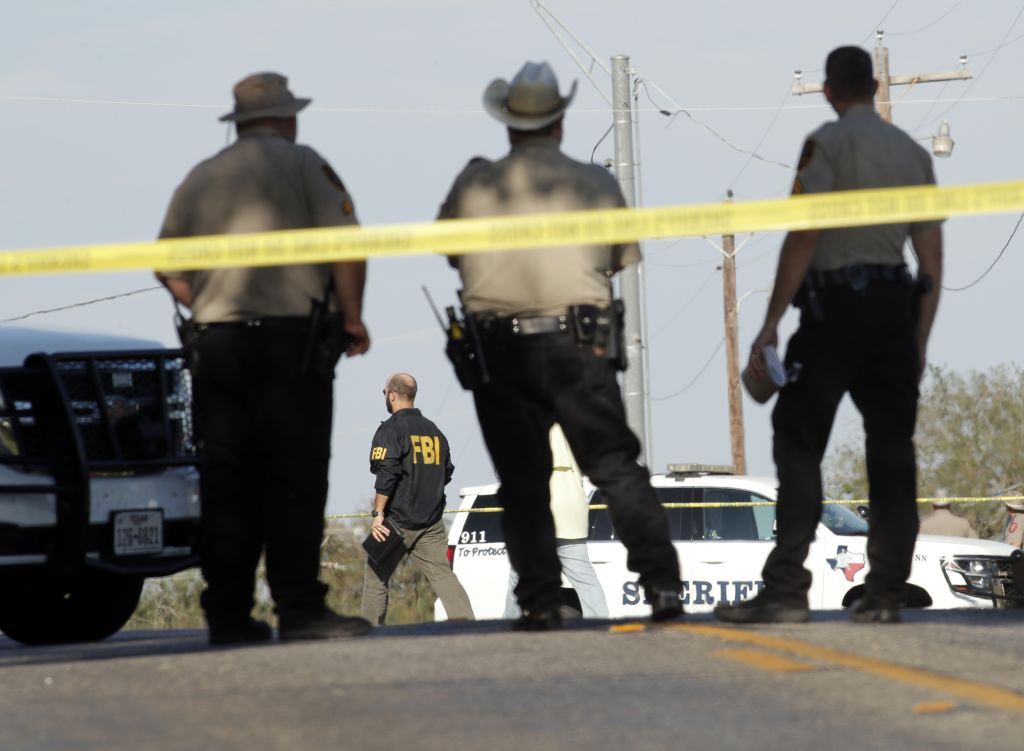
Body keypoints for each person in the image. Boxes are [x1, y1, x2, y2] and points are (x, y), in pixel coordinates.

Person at [438, 61, 682, 630]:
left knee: (522, 481)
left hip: (501, 348)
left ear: (506, 123)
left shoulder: (475, 183)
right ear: (560, 122)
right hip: (580, 347)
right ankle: (663, 588)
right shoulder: (595, 182)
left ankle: (542, 599)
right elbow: (619, 260)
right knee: (617, 468)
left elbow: (451, 252)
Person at [714, 46, 943, 625]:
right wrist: (919, 340)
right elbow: (932, 260)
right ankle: (886, 592)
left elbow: (804, 236)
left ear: (829, 91)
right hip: (894, 311)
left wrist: (771, 322)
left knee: (798, 441)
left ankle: (788, 588)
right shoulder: (914, 154)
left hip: (833, 310)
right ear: (874, 85)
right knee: (892, 454)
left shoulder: (826, 144)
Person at [156, 72, 372, 644]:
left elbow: (166, 265)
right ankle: (299, 609)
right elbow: (348, 243)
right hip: (290, 344)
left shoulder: (200, 177)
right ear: (287, 116)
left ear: (240, 121)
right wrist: (351, 317)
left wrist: (206, 305)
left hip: (218, 347)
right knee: (294, 476)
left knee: (228, 481)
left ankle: (227, 615)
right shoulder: (305, 164)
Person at [361, 373, 475, 624]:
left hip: (397, 520)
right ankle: (468, 626)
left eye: (384, 393)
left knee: (375, 576)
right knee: (443, 576)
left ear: (391, 394)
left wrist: (378, 514)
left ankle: (369, 634)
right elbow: (446, 472)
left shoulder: (390, 429)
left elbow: (387, 474)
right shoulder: (435, 431)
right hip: (431, 522)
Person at [503, 424, 610, 620]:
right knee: (584, 578)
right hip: (572, 509)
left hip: (541, 508)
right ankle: (599, 619)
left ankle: (509, 622)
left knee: (519, 573)